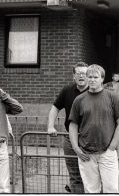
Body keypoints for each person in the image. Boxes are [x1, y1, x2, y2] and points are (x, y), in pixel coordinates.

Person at [69, 64, 119, 193]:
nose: (92, 79)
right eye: (89, 76)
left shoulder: (113, 98)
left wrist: (112, 147)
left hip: (107, 152)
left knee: (111, 189)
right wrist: (76, 148)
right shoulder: (79, 100)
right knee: (91, 190)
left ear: (102, 79)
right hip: (86, 153)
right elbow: (73, 125)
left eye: (95, 77)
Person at [47, 61, 88, 193]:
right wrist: (50, 126)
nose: (82, 76)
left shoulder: (95, 91)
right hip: (71, 139)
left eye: (85, 73)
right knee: (75, 175)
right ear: (73, 76)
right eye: (79, 73)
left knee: (91, 174)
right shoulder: (67, 90)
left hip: (90, 139)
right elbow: (55, 108)